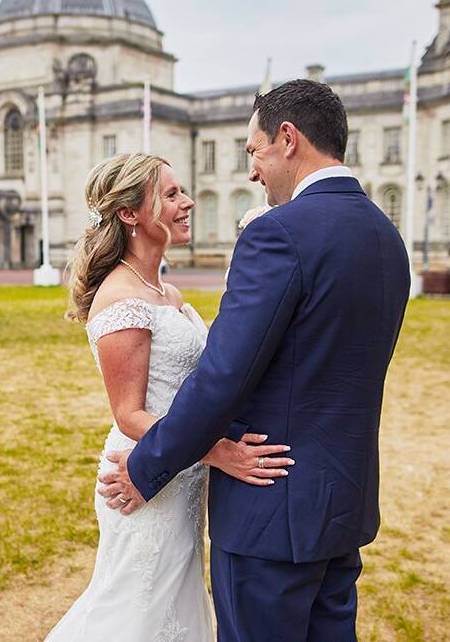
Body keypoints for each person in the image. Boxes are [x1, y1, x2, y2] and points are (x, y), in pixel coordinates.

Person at [99, 80, 411, 641]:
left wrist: (148, 468)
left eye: (254, 151)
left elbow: (223, 377)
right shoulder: (386, 236)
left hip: (272, 507)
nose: (252, 170)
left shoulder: (278, 234)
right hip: (345, 501)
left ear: (287, 139)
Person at [46, 153, 292, 642]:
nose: (188, 202)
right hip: (144, 474)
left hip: (183, 477)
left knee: (176, 605)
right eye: (172, 194)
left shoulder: (169, 294)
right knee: (136, 610)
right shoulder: (121, 300)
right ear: (129, 214)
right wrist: (219, 453)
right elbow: (129, 414)